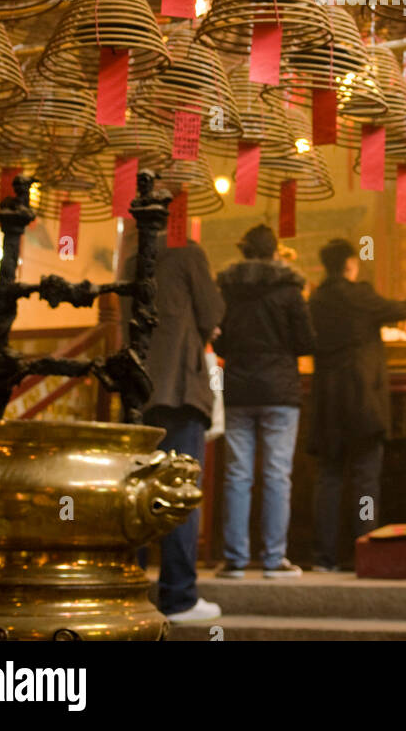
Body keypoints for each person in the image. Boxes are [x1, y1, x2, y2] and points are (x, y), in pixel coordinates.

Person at [122, 229, 224, 625]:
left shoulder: (133, 257)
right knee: (179, 492)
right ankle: (179, 596)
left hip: (139, 390)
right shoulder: (188, 252)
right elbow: (213, 313)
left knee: (139, 497)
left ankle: (133, 592)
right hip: (180, 388)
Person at [308, 239, 406, 571]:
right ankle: (366, 549)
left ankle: (323, 558)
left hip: (327, 401)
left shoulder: (316, 299)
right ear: (349, 264)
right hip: (361, 400)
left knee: (328, 479)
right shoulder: (359, 295)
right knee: (365, 479)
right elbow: (399, 310)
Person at [216, 223, 315, 578]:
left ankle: (235, 560)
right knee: (276, 475)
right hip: (279, 391)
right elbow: (306, 342)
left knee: (237, 475)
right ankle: (274, 560)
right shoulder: (289, 290)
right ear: (275, 251)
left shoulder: (227, 289)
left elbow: (219, 342)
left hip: (239, 389)